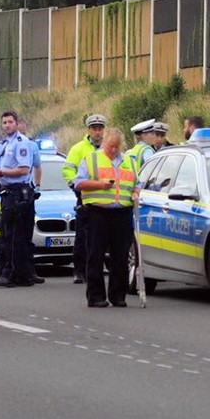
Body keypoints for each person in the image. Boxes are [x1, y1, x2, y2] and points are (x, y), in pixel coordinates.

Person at [74, 127, 138, 308]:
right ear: (104, 143)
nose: (113, 150)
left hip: (122, 214)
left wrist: (136, 192)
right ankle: (95, 297)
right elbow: (78, 183)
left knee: (121, 256)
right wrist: (99, 185)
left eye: (117, 147)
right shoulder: (92, 159)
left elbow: (136, 183)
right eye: (110, 146)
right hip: (97, 213)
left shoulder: (129, 161)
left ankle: (118, 295)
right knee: (96, 255)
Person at [0, 110, 36, 288]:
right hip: (7, 192)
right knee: (7, 235)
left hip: (17, 193)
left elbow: (24, 170)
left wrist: (1, 172)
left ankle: (11, 274)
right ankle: (17, 274)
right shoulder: (4, 144)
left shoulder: (20, 142)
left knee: (13, 237)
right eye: (4, 122)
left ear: (16, 123)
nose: (7, 125)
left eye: (10, 122)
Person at [63, 114, 106, 284]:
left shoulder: (107, 148)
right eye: (94, 128)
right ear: (88, 130)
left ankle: (95, 269)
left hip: (104, 199)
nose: (97, 132)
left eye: (100, 128)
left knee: (100, 238)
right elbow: (68, 170)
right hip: (85, 198)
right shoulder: (78, 149)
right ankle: (79, 271)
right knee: (82, 236)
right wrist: (76, 186)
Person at [15, 117, 44, 285]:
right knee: (13, 236)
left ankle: (29, 271)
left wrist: (37, 186)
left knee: (27, 235)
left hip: (28, 192)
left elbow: (38, 166)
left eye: (23, 124)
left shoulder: (32, 145)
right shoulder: (8, 145)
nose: (22, 126)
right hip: (12, 193)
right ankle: (12, 270)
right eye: (20, 123)